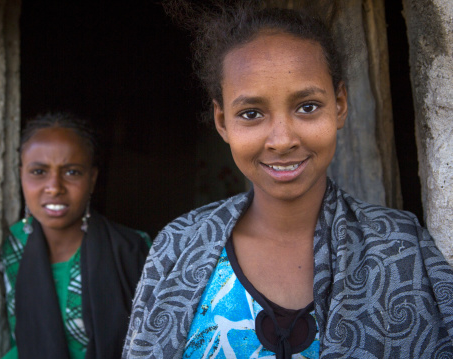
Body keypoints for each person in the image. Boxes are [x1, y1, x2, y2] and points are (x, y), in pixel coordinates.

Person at [123, 2, 453, 358]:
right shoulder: (178, 245)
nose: (282, 140)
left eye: (307, 106)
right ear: (222, 122)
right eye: (251, 113)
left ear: (340, 104)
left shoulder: (401, 246)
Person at [0, 113, 151, 359]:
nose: (54, 187)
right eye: (38, 172)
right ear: (21, 174)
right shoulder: (8, 246)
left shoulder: (132, 249)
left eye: (72, 172)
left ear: (92, 179)